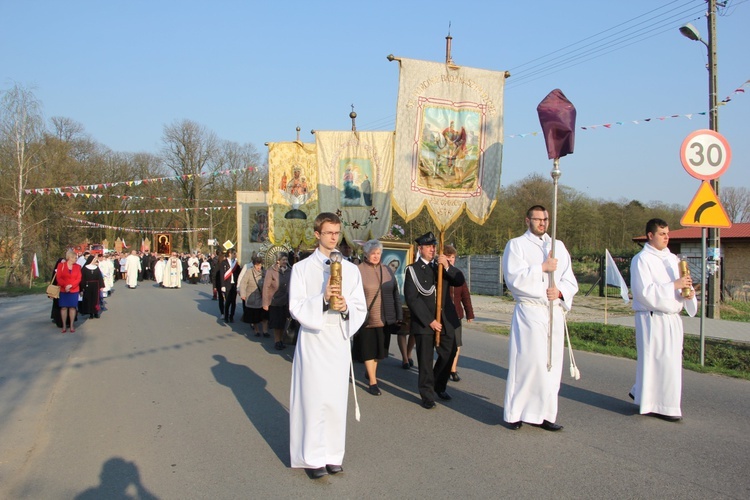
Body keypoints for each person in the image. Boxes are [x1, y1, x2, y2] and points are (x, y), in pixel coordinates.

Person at [288, 212, 366, 478]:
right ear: (317, 234)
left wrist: (346, 309)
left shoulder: (352, 270)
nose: (334, 237)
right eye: (329, 232)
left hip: (338, 340)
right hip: (313, 338)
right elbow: (295, 306)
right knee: (313, 399)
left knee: (334, 400)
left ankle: (333, 455)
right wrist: (322, 300)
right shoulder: (302, 268)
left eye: (337, 232)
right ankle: (312, 458)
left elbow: (360, 307)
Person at [502, 205, 578, 431]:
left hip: (553, 311)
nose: (542, 223)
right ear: (527, 220)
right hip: (530, 311)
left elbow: (570, 280)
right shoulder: (516, 245)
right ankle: (516, 412)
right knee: (528, 362)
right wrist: (542, 268)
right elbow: (513, 278)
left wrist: (561, 292)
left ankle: (545, 414)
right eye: (537, 219)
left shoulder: (559, 247)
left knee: (551, 365)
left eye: (545, 219)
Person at [630, 218, 697, 422]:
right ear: (650, 235)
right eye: (662, 234)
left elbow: (682, 285)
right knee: (655, 361)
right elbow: (643, 292)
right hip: (652, 317)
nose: (666, 237)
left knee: (672, 362)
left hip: (672, 318)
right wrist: (674, 285)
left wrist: (688, 292)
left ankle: (652, 397)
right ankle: (660, 405)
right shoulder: (642, 259)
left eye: (667, 233)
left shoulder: (673, 259)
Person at [404, 231, 465, 409]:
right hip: (425, 322)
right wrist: (430, 320)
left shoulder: (440, 266)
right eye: (429, 246)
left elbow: (459, 280)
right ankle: (427, 394)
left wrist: (446, 266)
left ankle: (439, 384)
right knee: (425, 359)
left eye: (434, 246)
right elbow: (412, 298)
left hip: (445, 319)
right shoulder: (412, 270)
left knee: (449, 352)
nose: (433, 249)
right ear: (420, 248)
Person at [355, 240, 403, 396]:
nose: (376, 256)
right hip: (367, 318)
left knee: (381, 352)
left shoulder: (387, 270)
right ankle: (373, 382)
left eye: (378, 253)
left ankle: (371, 373)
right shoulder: (358, 270)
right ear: (366, 254)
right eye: (373, 253)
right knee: (369, 351)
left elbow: (395, 293)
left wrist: (398, 315)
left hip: (385, 317)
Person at [444, 245, 474, 382]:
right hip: (442, 315)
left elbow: (465, 295)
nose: (450, 259)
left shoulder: (458, 274)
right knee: (443, 344)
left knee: (457, 343)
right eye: (448, 257)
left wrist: (469, 313)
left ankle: (453, 369)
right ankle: (443, 367)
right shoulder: (438, 273)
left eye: (453, 257)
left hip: (456, 314)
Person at [262, 252, 291, 349]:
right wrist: (265, 303)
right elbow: (266, 287)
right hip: (275, 301)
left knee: (283, 323)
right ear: (278, 261)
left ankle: (281, 340)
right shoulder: (271, 271)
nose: (285, 262)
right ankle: (277, 341)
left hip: (285, 301)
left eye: (286, 260)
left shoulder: (289, 271)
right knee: (276, 323)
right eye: (283, 260)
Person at [238, 255, 268, 337]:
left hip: (262, 297)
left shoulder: (264, 272)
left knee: (264, 316)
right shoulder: (249, 272)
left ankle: (265, 331)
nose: (259, 267)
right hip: (252, 297)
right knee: (254, 316)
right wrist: (243, 294)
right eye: (257, 265)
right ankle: (256, 330)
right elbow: (243, 283)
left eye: (260, 265)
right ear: (254, 265)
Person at [56, 249, 82, 333]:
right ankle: (64, 325)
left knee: (72, 307)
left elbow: (79, 278)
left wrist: (71, 285)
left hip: (74, 290)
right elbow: (58, 277)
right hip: (63, 290)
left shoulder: (78, 267)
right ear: (70, 258)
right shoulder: (61, 265)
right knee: (63, 307)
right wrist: (65, 285)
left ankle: (71, 325)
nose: (76, 259)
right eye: (75, 258)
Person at [79, 254, 105, 319]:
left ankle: (96, 312)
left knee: (95, 299)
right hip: (87, 286)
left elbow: (100, 277)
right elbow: (82, 278)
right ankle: (90, 313)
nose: (95, 260)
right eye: (94, 259)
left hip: (96, 285)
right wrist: (82, 288)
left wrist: (101, 286)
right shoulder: (85, 268)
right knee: (89, 299)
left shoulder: (96, 268)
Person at [220, 248, 241, 323]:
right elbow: (222, 274)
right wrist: (222, 285)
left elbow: (239, 273)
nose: (235, 255)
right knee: (227, 301)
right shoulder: (224, 262)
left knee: (233, 302)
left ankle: (231, 316)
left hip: (234, 284)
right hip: (227, 284)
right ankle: (226, 316)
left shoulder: (236, 263)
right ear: (230, 253)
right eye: (234, 253)